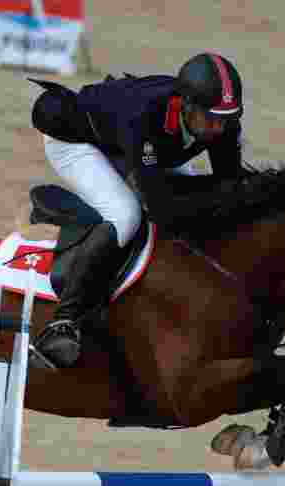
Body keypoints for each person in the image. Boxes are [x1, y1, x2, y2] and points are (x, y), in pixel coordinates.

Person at [28, 52, 247, 369]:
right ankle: (64, 322)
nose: (218, 128)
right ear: (185, 105)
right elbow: (158, 202)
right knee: (126, 214)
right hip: (76, 141)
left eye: (225, 119)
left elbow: (229, 189)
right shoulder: (146, 116)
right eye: (210, 118)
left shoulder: (221, 122)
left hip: (142, 146)